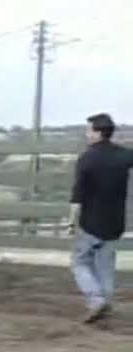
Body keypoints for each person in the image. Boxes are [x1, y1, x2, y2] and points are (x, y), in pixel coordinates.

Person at [68, 113, 133, 323]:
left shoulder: (86, 158)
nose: (87, 134)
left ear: (97, 132)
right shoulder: (124, 155)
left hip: (90, 223)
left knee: (80, 262)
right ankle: (105, 301)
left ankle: (96, 301)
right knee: (105, 264)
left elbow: (77, 196)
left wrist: (71, 221)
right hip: (115, 222)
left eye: (88, 130)